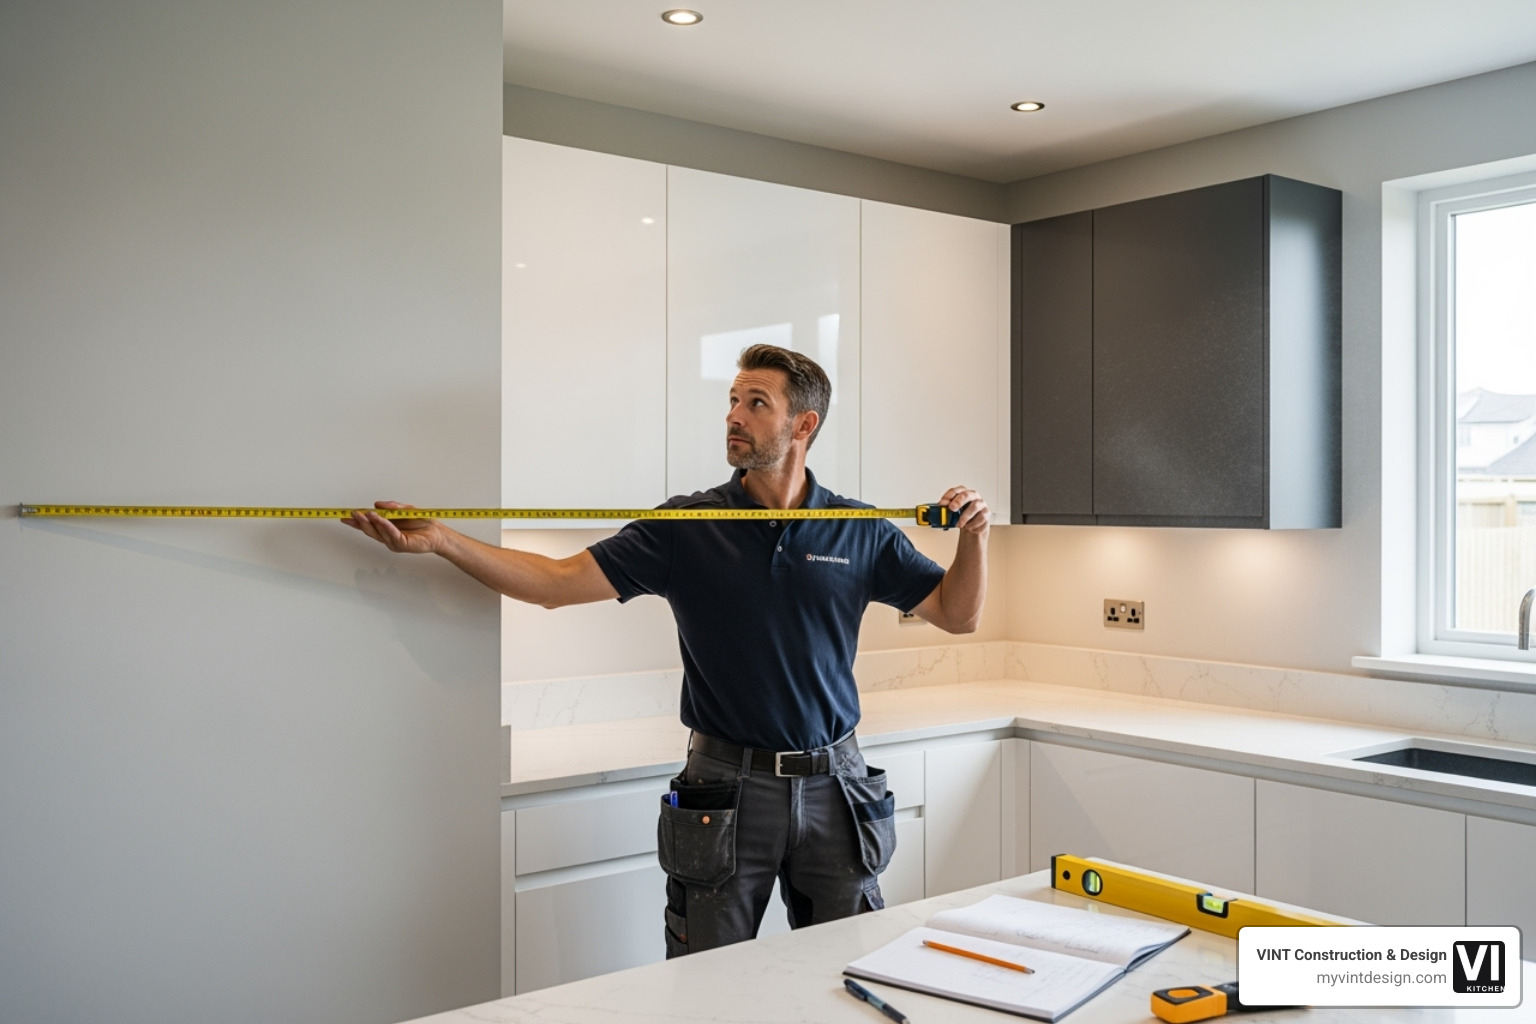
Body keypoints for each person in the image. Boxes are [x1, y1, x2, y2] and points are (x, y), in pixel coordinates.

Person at [343, 343, 988, 957]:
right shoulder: (686, 527)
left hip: (836, 788)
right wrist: (445, 542)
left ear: (803, 424)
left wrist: (975, 539)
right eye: (733, 400)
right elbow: (557, 584)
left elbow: (958, 616)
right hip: (725, 791)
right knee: (705, 993)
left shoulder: (858, 529)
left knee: (843, 979)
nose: (734, 416)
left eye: (757, 403)